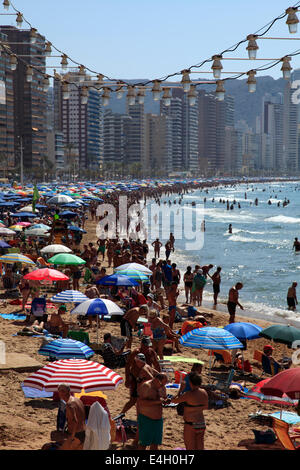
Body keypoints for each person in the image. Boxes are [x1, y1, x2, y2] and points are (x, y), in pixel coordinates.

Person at [170, 372, 208, 450]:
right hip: (201, 422)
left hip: (190, 424)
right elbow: (205, 406)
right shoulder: (204, 392)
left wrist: (180, 390)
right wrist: (195, 408)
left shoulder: (188, 394)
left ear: (190, 382)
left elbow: (174, 400)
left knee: (190, 447)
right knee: (200, 447)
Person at [137, 373, 168, 450]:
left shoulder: (162, 388)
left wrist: (166, 400)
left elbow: (163, 398)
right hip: (146, 418)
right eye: (162, 384)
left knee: (155, 444)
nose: (162, 386)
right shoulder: (146, 386)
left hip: (158, 420)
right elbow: (141, 403)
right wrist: (158, 402)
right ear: (157, 380)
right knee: (143, 444)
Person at [56, 383, 86, 450]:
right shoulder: (78, 400)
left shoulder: (69, 405)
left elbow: (75, 421)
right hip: (83, 432)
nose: (60, 393)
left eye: (62, 391)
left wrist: (72, 437)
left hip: (76, 434)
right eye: (60, 391)